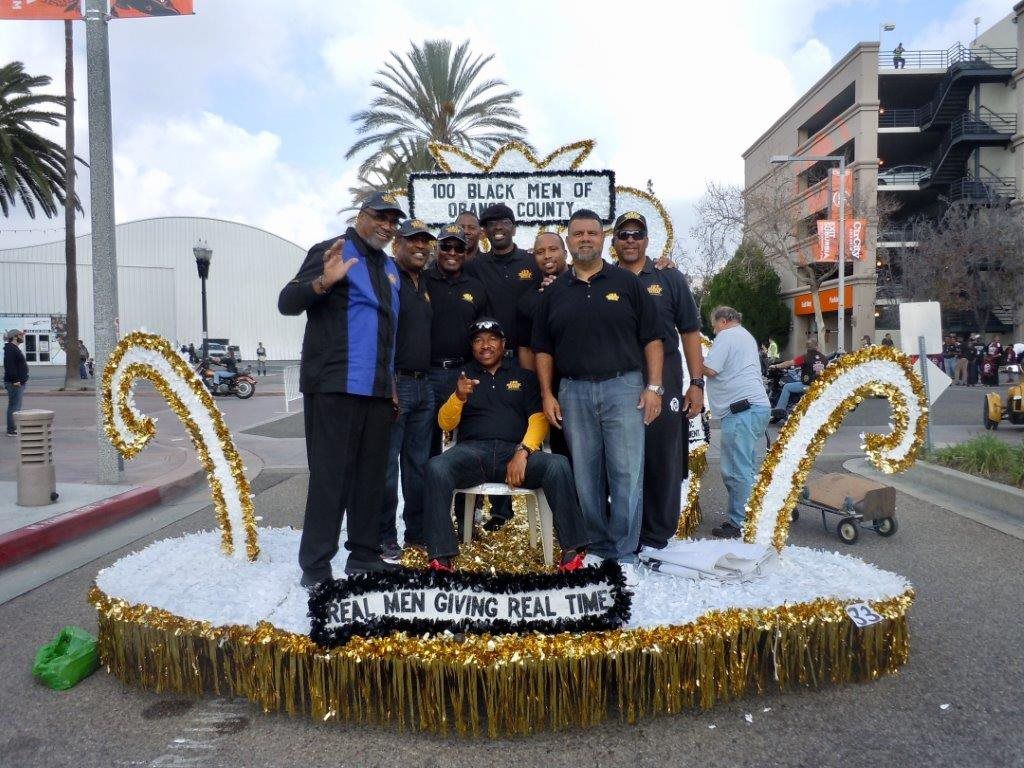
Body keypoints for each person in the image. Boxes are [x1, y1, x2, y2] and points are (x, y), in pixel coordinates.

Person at [278, 190, 404, 585]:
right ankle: (315, 566)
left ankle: (364, 556)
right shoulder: (331, 250)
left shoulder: (389, 267)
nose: (387, 226)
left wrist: (392, 385)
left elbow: (387, 332)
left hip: (378, 391)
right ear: (361, 215)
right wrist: (322, 282)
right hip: (334, 385)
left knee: (372, 480)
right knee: (331, 477)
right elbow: (287, 302)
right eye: (381, 217)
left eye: (393, 221)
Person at [532, 209, 664, 569]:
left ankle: (623, 551)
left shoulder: (627, 283)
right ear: (569, 240)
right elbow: (543, 349)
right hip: (573, 392)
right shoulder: (554, 292)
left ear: (603, 237)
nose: (585, 238)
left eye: (592, 232)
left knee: (626, 472)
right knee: (585, 475)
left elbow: (652, 338)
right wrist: (547, 393)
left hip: (624, 388)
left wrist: (654, 387)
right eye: (578, 234)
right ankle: (596, 545)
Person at [423, 318, 590, 573]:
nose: (485, 345)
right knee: (436, 467)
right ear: (472, 347)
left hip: (514, 452)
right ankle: (441, 557)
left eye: (491, 339)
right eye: (478, 340)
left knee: (558, 465)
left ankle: (573, 551)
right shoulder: (462, 377)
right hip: (472, 453)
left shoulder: (523, 377)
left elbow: (538, 420)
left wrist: (523, 452)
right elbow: (445, 424)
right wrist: (459, 397)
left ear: (503, 344)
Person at [613, 211, 705, 552]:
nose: (631, 240)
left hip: (665, 371)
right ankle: (628, 530)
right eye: (624, 235)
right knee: (624, 455)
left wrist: (697, 384)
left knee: (662, 451)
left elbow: (690, 332)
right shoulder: (607, 278)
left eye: (638, 234)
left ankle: (658, 533)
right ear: (615, 242)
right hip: (623, 374)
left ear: (648, 240)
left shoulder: (669, 277)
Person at [380, 219, 436, 558]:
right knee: (387, 467)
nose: (420, 247)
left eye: (424, 242)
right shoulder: (387, 279)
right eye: (412, 240)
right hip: (396, 382)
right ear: (396, 244)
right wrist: (389, 384)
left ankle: (416, 533)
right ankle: (385, 535)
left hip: (424, 385)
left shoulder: (424, 281)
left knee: (418, 466)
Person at [702, 306, 771, 539]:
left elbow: (711, 369)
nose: (713, 330)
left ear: (723, 321)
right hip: (755, 407)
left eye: (714, 324)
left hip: (741, 410)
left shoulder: (727, 336)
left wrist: (693, 359)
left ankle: (739, 522)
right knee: (746, 465)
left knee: (735, 468)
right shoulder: (745, 336)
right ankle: (750, 514)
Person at [423, 224, 489, 457]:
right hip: (427, 375)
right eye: (446, 246)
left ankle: (462, 495)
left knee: (464, 440)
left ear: (466, 252)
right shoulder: (421, 280)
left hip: (463, 372)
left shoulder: (476, 287)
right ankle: (430, 494)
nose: (452, 252)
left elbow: (482, 334)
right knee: (426, 443)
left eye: (458, 248)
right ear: (437, 248)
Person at [516, 231, 571, 459]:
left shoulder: (587, 283)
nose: (547, 256)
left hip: (584, 382)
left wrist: (561, 289)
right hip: (552, 390)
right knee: (559, 454)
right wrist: (539, 392)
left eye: (553, 249)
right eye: (540, 252)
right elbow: (526, 348)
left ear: (565, 252)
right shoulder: (528, 300)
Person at [466, 203, 538, 354]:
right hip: (488, 356)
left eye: (505, 222)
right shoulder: (473, 267)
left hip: (527, 354)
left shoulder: (533, 262)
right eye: (491, 224)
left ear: (514, 229)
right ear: (484, 232)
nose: (498, 227)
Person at [769, 337, 828, 422]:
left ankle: (780, 409)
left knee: (787, 386)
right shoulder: (824, 358)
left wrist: (776, 366)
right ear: (817, 346)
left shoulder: (805, 357)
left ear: (807, 347)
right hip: (820, 386)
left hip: (808, 385)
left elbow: (790, 363)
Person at [4, 329, 28, 437]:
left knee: (14, 406)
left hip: (17, 382)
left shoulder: (13, 348)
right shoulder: (11, 349)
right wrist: (15, 380)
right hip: (15, 383)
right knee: (14, 407)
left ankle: (12, 428)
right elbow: (10, 366)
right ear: (14, 337)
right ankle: (11, 429)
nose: (22, 337)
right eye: (20, 335)